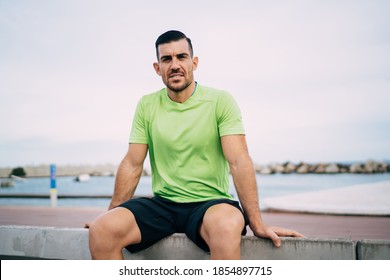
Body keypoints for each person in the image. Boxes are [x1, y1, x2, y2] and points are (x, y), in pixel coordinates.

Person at [87, 30, 304, 260]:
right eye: (166, 59)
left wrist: (257, 222)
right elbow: (132, 163)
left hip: (211, 205)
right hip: (163, 204)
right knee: (102, 230)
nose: (175, 65)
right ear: (157, 68)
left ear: (194, 62)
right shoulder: (147, 105)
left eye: (181, 57)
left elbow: (239, 161)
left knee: (227, 225)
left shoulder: (220, 101)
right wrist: (112, 214)